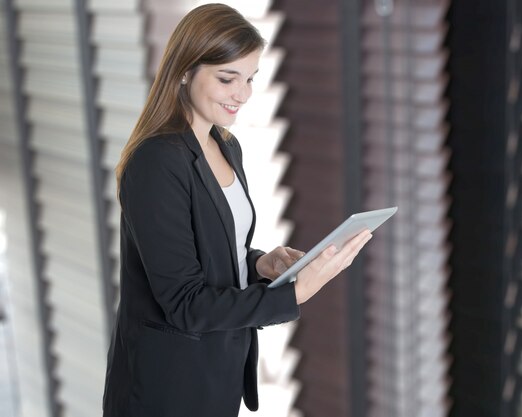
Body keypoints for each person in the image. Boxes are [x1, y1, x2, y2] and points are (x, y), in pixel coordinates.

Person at [102, 4, 372, 417]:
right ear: (185, 71)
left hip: (217, 373)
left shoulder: (226, 146)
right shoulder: (156, 162)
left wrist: (261, 265)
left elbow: (211, 250)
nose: (242, 94)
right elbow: (185, 302)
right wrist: (295, 293)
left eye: (249, 78)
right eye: (228, 78)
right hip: (167, 390)